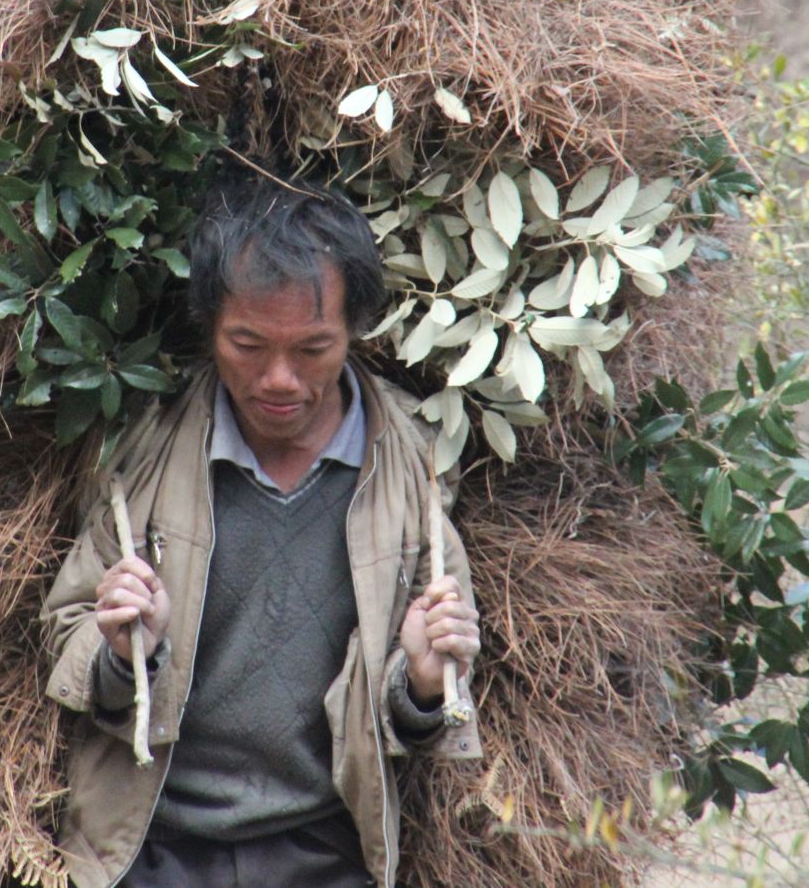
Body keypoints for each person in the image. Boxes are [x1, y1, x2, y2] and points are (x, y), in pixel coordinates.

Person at [40, 177, 482, 888]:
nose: (280, 378)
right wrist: (122, 653)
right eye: (247, 343)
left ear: (354, 333)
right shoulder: (143, 451)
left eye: (313, 347)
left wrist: (426, 686)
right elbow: (66, 634)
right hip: (150, 843)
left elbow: (419, 712)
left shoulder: (416, 468)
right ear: (210, 326)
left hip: (325, 848)